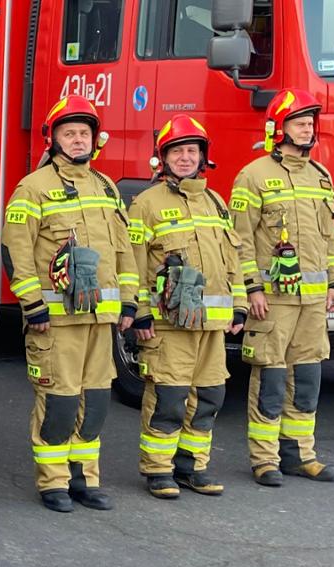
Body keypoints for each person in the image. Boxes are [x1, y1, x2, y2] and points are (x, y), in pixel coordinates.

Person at [0, 95, 131, 513]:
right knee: (59, 401)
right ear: (53, 139)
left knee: (95, 402)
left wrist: (129, 303)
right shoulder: (33, 187)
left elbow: (124, 250)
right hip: (55, 322)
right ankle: (53, 481)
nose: (78, 139)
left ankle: (85, 479)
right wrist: (32, 304)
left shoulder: (106, 187)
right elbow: (15, 249)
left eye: (84, 133)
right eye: (69, 133)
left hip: (100, 319)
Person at [122, 115, 248, 500]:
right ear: (163, 157)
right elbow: (133, 262)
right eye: (177, 151)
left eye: (191, 151)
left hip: (211, 327)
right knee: (169, 398)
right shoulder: (146, 204)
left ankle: (192, 467)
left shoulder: (215, 202)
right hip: (168, 326)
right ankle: (159, 470)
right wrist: (139, 312)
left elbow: (232, 261)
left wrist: (239, 304)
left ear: (202, 157)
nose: (185, 157)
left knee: (209, 397)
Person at [229, 88, 334, 487]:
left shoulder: (320, 176)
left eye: (310, 124)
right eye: (298, 124)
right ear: (278, 129)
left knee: (308, 377)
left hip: (313, 301)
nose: (307, 130)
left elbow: (330, 237)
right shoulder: (253, 175)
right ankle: (265, 459)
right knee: (271, 378)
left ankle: (301, 455)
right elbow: (240, 240)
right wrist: (252, 289)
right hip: (274, 300)